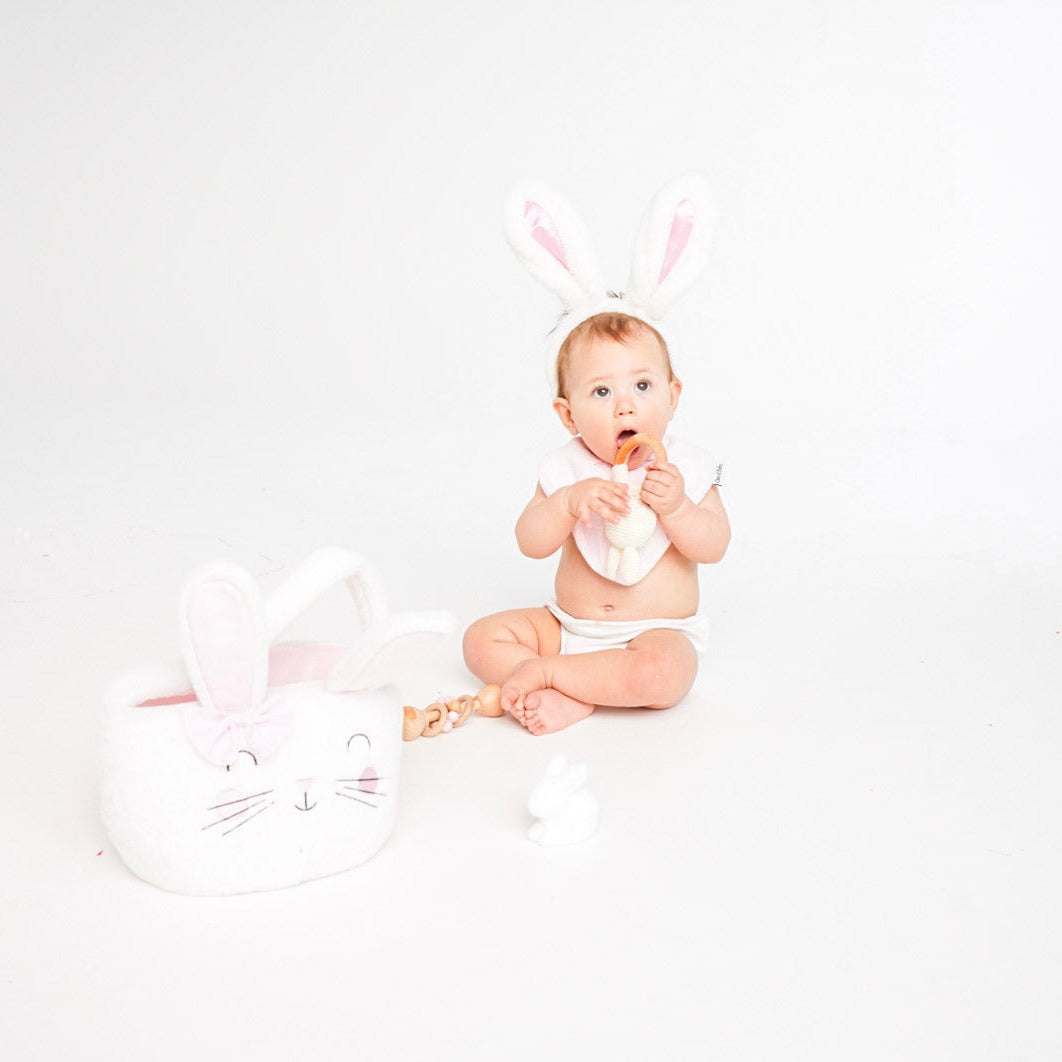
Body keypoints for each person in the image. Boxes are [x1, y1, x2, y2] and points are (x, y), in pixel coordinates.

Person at [462, 175, 729, 735]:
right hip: (566, 626)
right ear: (567, 414)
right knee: (481, 640)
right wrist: (565, 505)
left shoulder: (689, 466)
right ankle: (573, 683)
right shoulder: (565, 468)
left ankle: (554, 680)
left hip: (653, 632)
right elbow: (530, 543)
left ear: (673, 396)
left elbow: (715, 545)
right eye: (601, 393)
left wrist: (679, 508)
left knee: (665, 676)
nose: (624, 408)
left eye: (642, 387)